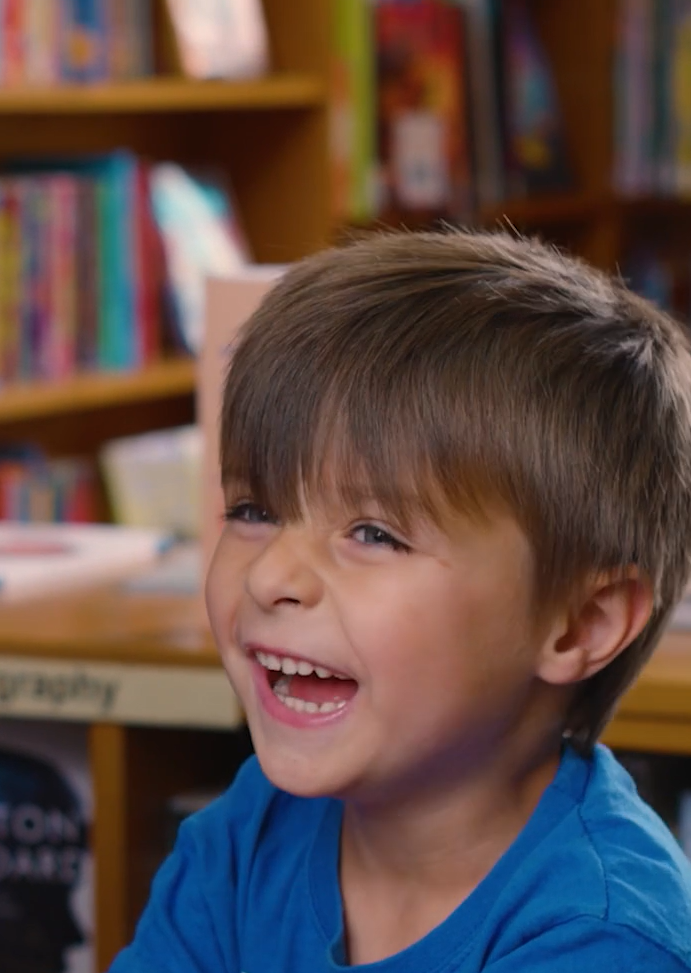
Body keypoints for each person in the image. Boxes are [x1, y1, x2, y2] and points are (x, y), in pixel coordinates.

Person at [112, 231, 691, 972]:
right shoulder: (249, 832)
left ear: (583, 622)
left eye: (374, 533)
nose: (268, 576)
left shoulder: (601, 937)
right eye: (254, 510)